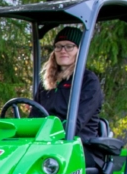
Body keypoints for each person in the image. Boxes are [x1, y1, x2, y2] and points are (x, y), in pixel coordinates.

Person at [30, 27, 106, 166]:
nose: (63, 50)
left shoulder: (88, 81)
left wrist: (48, 137)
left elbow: (76, 122)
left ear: (79, 50)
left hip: (80, 147)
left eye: (69, 46)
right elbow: (34, 118)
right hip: (47, 146)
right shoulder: (46, 83)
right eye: (58, 46)